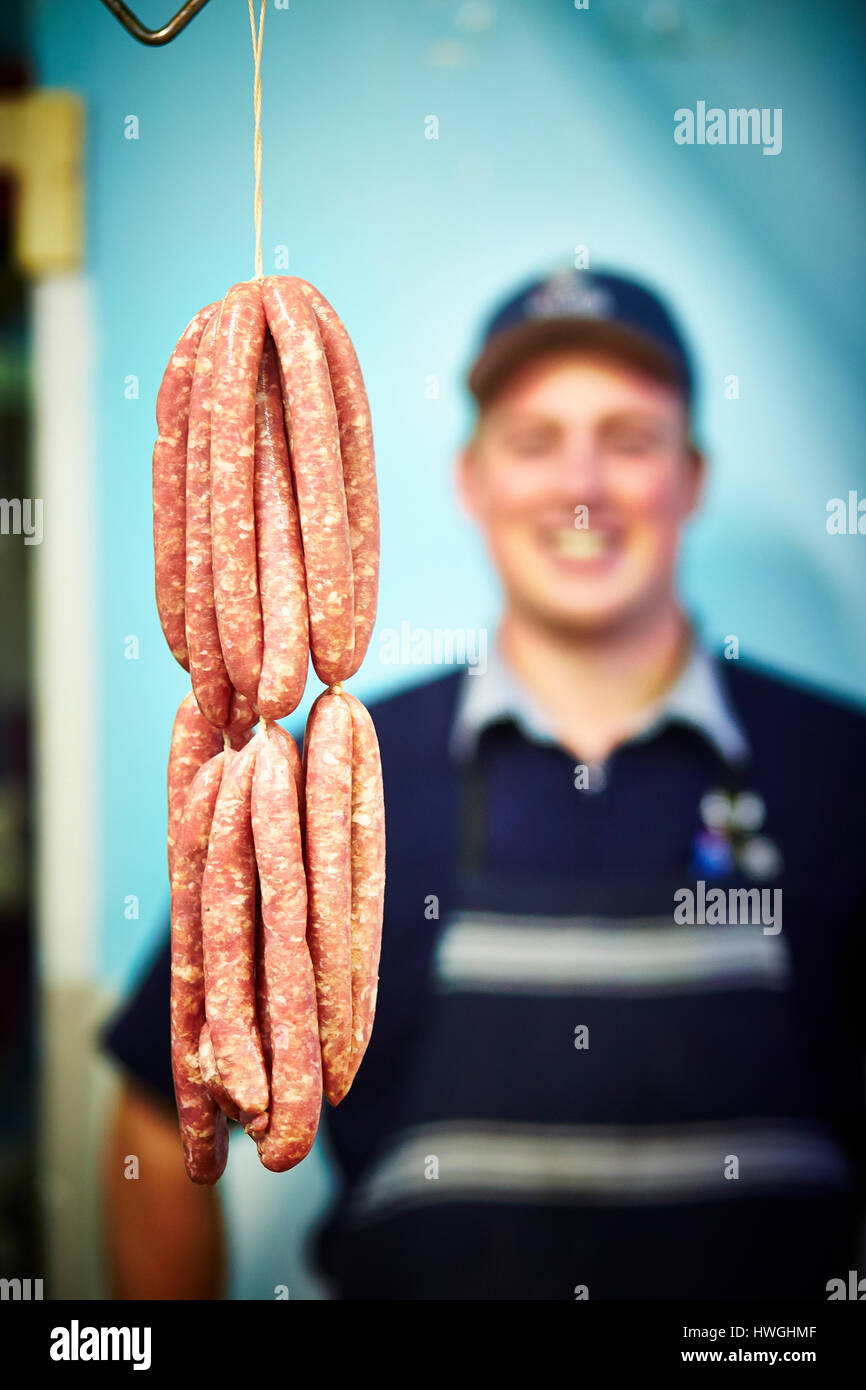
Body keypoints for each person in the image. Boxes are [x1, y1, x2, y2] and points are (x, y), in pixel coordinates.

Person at [102, 267, 866, 1300]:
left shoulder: (837, 769)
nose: (579, 484)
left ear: (689, 476)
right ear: (472, 478)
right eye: (533, 440)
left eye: (628, 439)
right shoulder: (341, 776)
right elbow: (160, 1110)